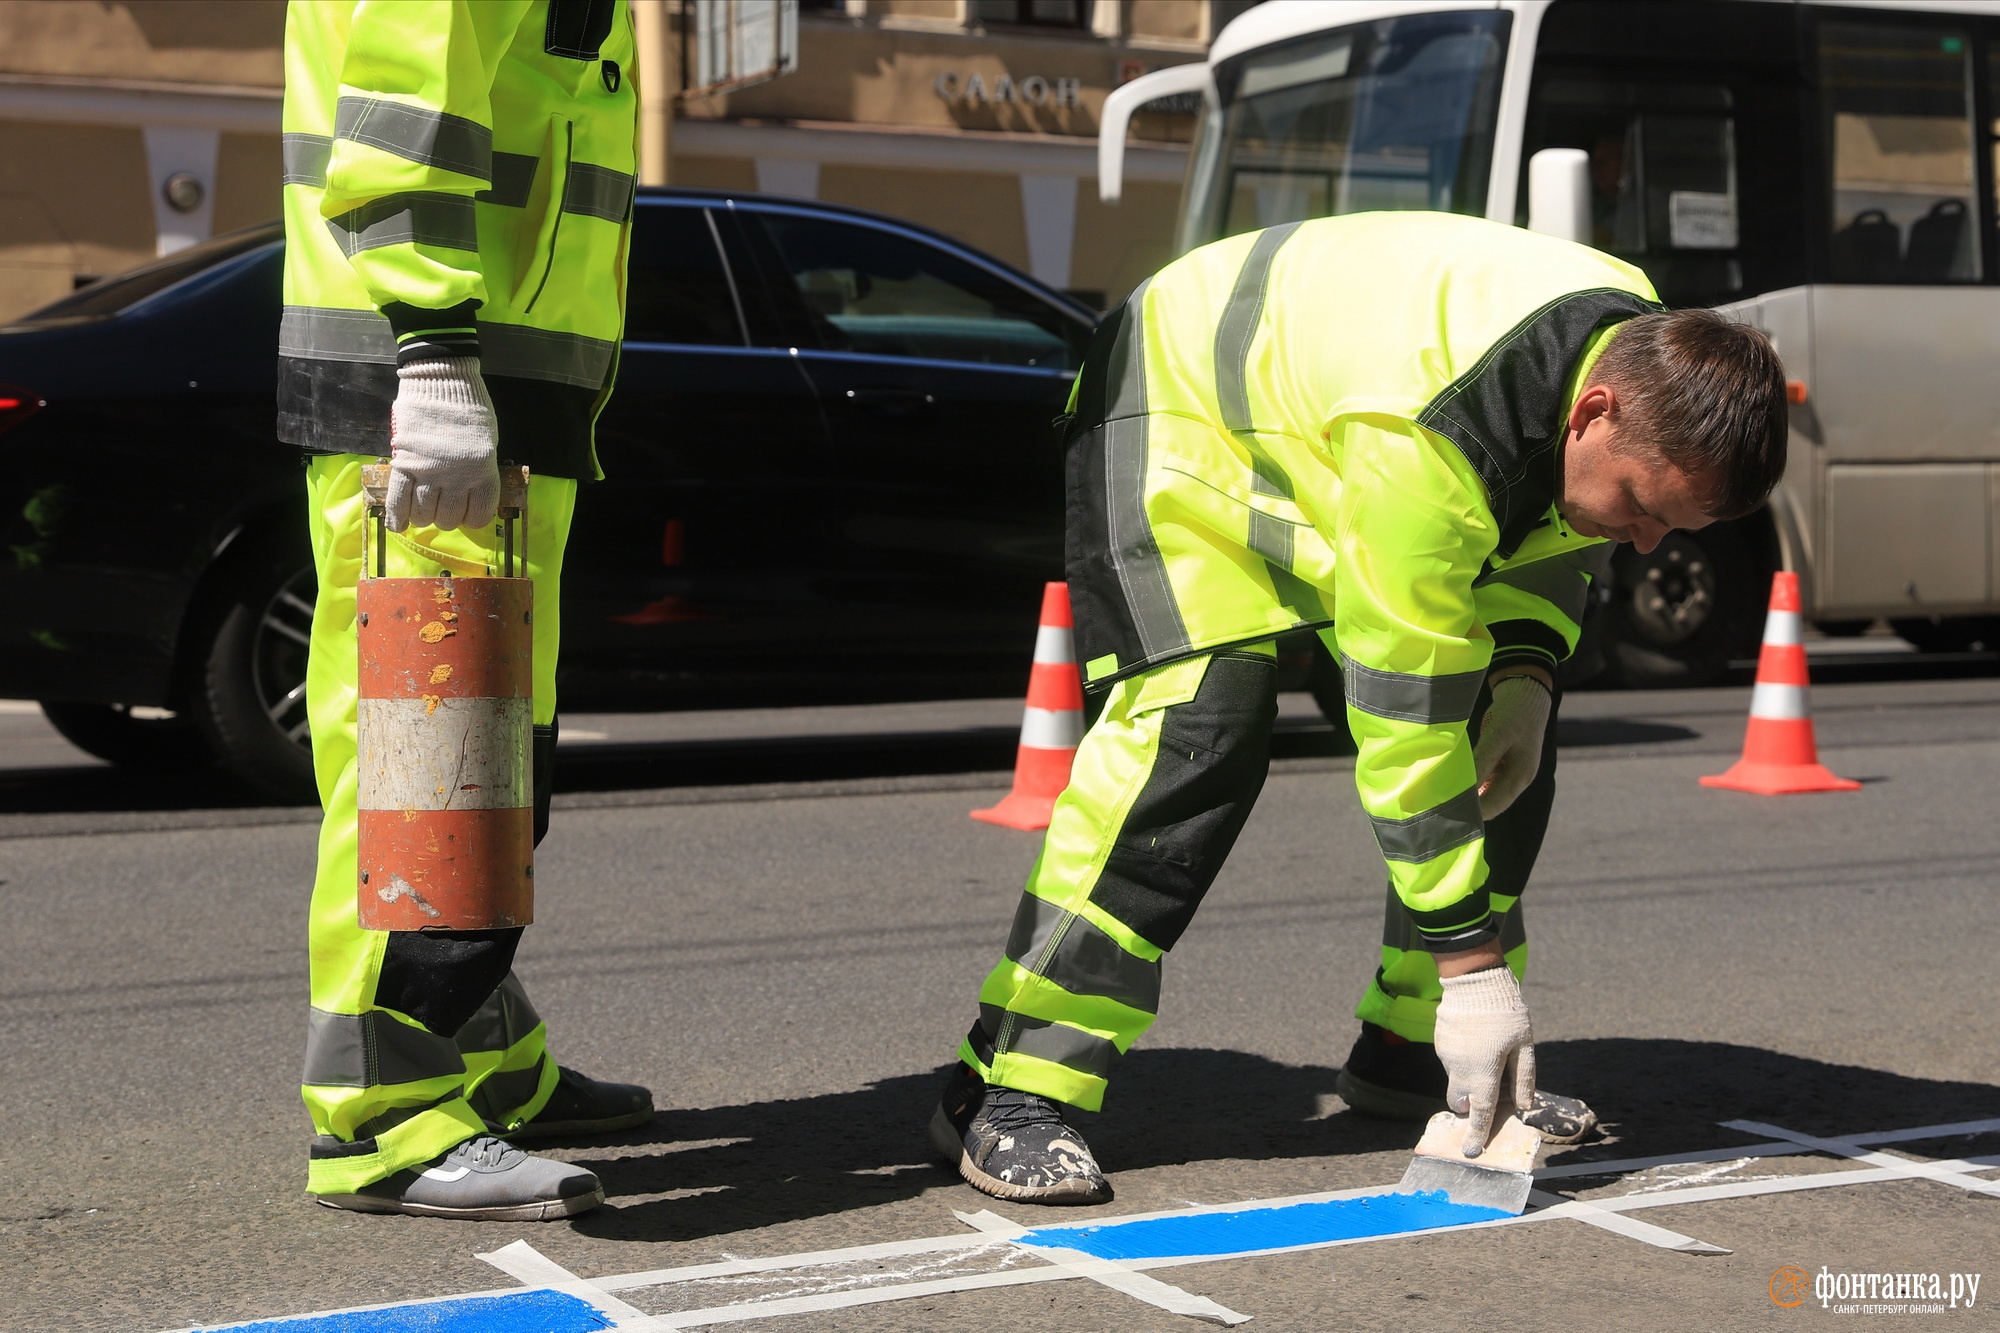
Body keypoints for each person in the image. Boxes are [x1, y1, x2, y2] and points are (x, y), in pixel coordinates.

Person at [930, 211, 1788, 1204]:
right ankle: (1006, 1081)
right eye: (1641, 505)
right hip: (1180, 404)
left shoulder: (1636, 368)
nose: (1641, 545)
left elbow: (1540, 530)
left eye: (1669, 526)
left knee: (1499, 743)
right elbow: (1402, 721)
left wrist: (1525, 675)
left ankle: (1408, 1049)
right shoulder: (1432, 436)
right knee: (1197, 728)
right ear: (1593, 411)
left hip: (1327, 419)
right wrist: (1475, 971)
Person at [280, 0, 650, 1220]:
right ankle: (387, 1113)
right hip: (432, 389)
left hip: (496, 391)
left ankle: (479, 1052)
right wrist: (433, 355)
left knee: (486, 762)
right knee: (416, 770)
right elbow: (401, 115)